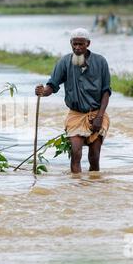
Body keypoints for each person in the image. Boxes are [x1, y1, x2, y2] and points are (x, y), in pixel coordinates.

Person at [35, 28, 112, 174]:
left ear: (88, 44)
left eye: (81, 44)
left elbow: (106, 91)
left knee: (94, 157)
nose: (77, 48)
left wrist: (100, 117)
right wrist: (43, 92)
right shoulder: (64, 62)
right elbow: (52, 85)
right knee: (76, 153)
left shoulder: (101, 62)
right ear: (70, 43)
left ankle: (93, 186)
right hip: (75, 115)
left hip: (97, 113)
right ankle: (75, 187)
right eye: (74, 44)